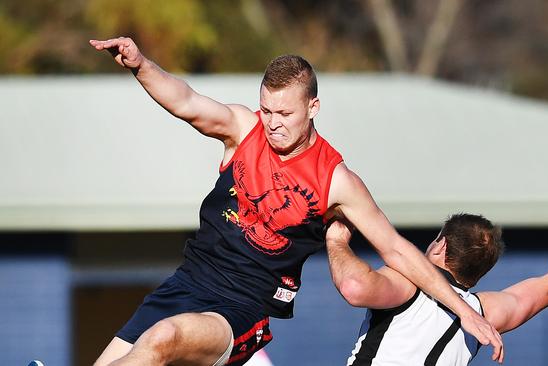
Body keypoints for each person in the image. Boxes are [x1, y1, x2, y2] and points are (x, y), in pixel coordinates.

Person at [88, 37, 503, 366]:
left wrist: (464, 311)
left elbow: (396, 249)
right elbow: (185, 100)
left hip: (240, 311)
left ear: (313, 107)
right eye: (266, 110)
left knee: (163, 338)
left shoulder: (336, 181)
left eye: (284, 114)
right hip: (186, 283)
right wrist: (142, 65)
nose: (272, 123)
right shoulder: (244, 129)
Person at [325, 201, 548, 365]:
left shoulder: (408, 284)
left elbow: (354, 286)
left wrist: (336, 240)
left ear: (441, 246)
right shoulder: (483, 314)